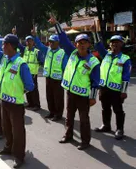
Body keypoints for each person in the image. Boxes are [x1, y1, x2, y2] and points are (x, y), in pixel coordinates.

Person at [49, 16, 100, 150]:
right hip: (70, 92)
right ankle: (68, 135)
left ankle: (85, 141)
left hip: (83, 96)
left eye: (84, 42)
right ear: (76, 44)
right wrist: (57, 24)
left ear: (89, 44)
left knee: (83, 119)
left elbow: (96, 82)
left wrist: (93, 97)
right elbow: (63, 38)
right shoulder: (72, 53)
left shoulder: (93, 62)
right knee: (69, 116)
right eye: (79, 42)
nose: (82, 44)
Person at [0, 34, 34, 168]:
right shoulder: (5, 59)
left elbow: (30, 85)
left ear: (10, 46)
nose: (2, 47)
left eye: (4, 45)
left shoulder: (21, 64)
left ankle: (19, 156)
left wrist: (18, 91)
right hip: (4, 100)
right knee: (6, 127)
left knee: (17, 131)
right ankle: (8, 147)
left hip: (16, 104)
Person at [94, 34, 132, 140]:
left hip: (116, 90)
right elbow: (98, 45)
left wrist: (123, 91)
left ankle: (119, 129)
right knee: (105, 108)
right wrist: (95, 32)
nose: (114, 44)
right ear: (110, 44)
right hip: (104, 87)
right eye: (112, 42)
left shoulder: (125, 59)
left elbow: (126, 77)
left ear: (121, 44)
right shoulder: (106, 55)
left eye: (117, 42)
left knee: (118, 110)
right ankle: (106, 125)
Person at [34, 33, 68, 121]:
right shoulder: (47, 50)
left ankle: (58, 114)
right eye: (50, 42)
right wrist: (35, 36)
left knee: (58, 98)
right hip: (48, 77)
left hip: (58, 79)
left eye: (53, 42)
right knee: (49, 96)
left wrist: (65, 78)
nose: (51, 44)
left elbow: (65, 67)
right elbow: (39, 45)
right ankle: (51, 112)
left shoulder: (62, 52)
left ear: (57, 42)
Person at [21, 35, 43, 110]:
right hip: (26, 73)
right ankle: (30, 103)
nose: (29, 42)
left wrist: (37, 69)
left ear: (33, 42)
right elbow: (17, 44)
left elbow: (42, 62)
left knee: (34, 90)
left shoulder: (37, 51)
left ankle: (37, 105)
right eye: (27, 41)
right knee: (27, 89)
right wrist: (14, 34)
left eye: (30, 40)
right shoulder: (25, 50)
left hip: (33, 74)